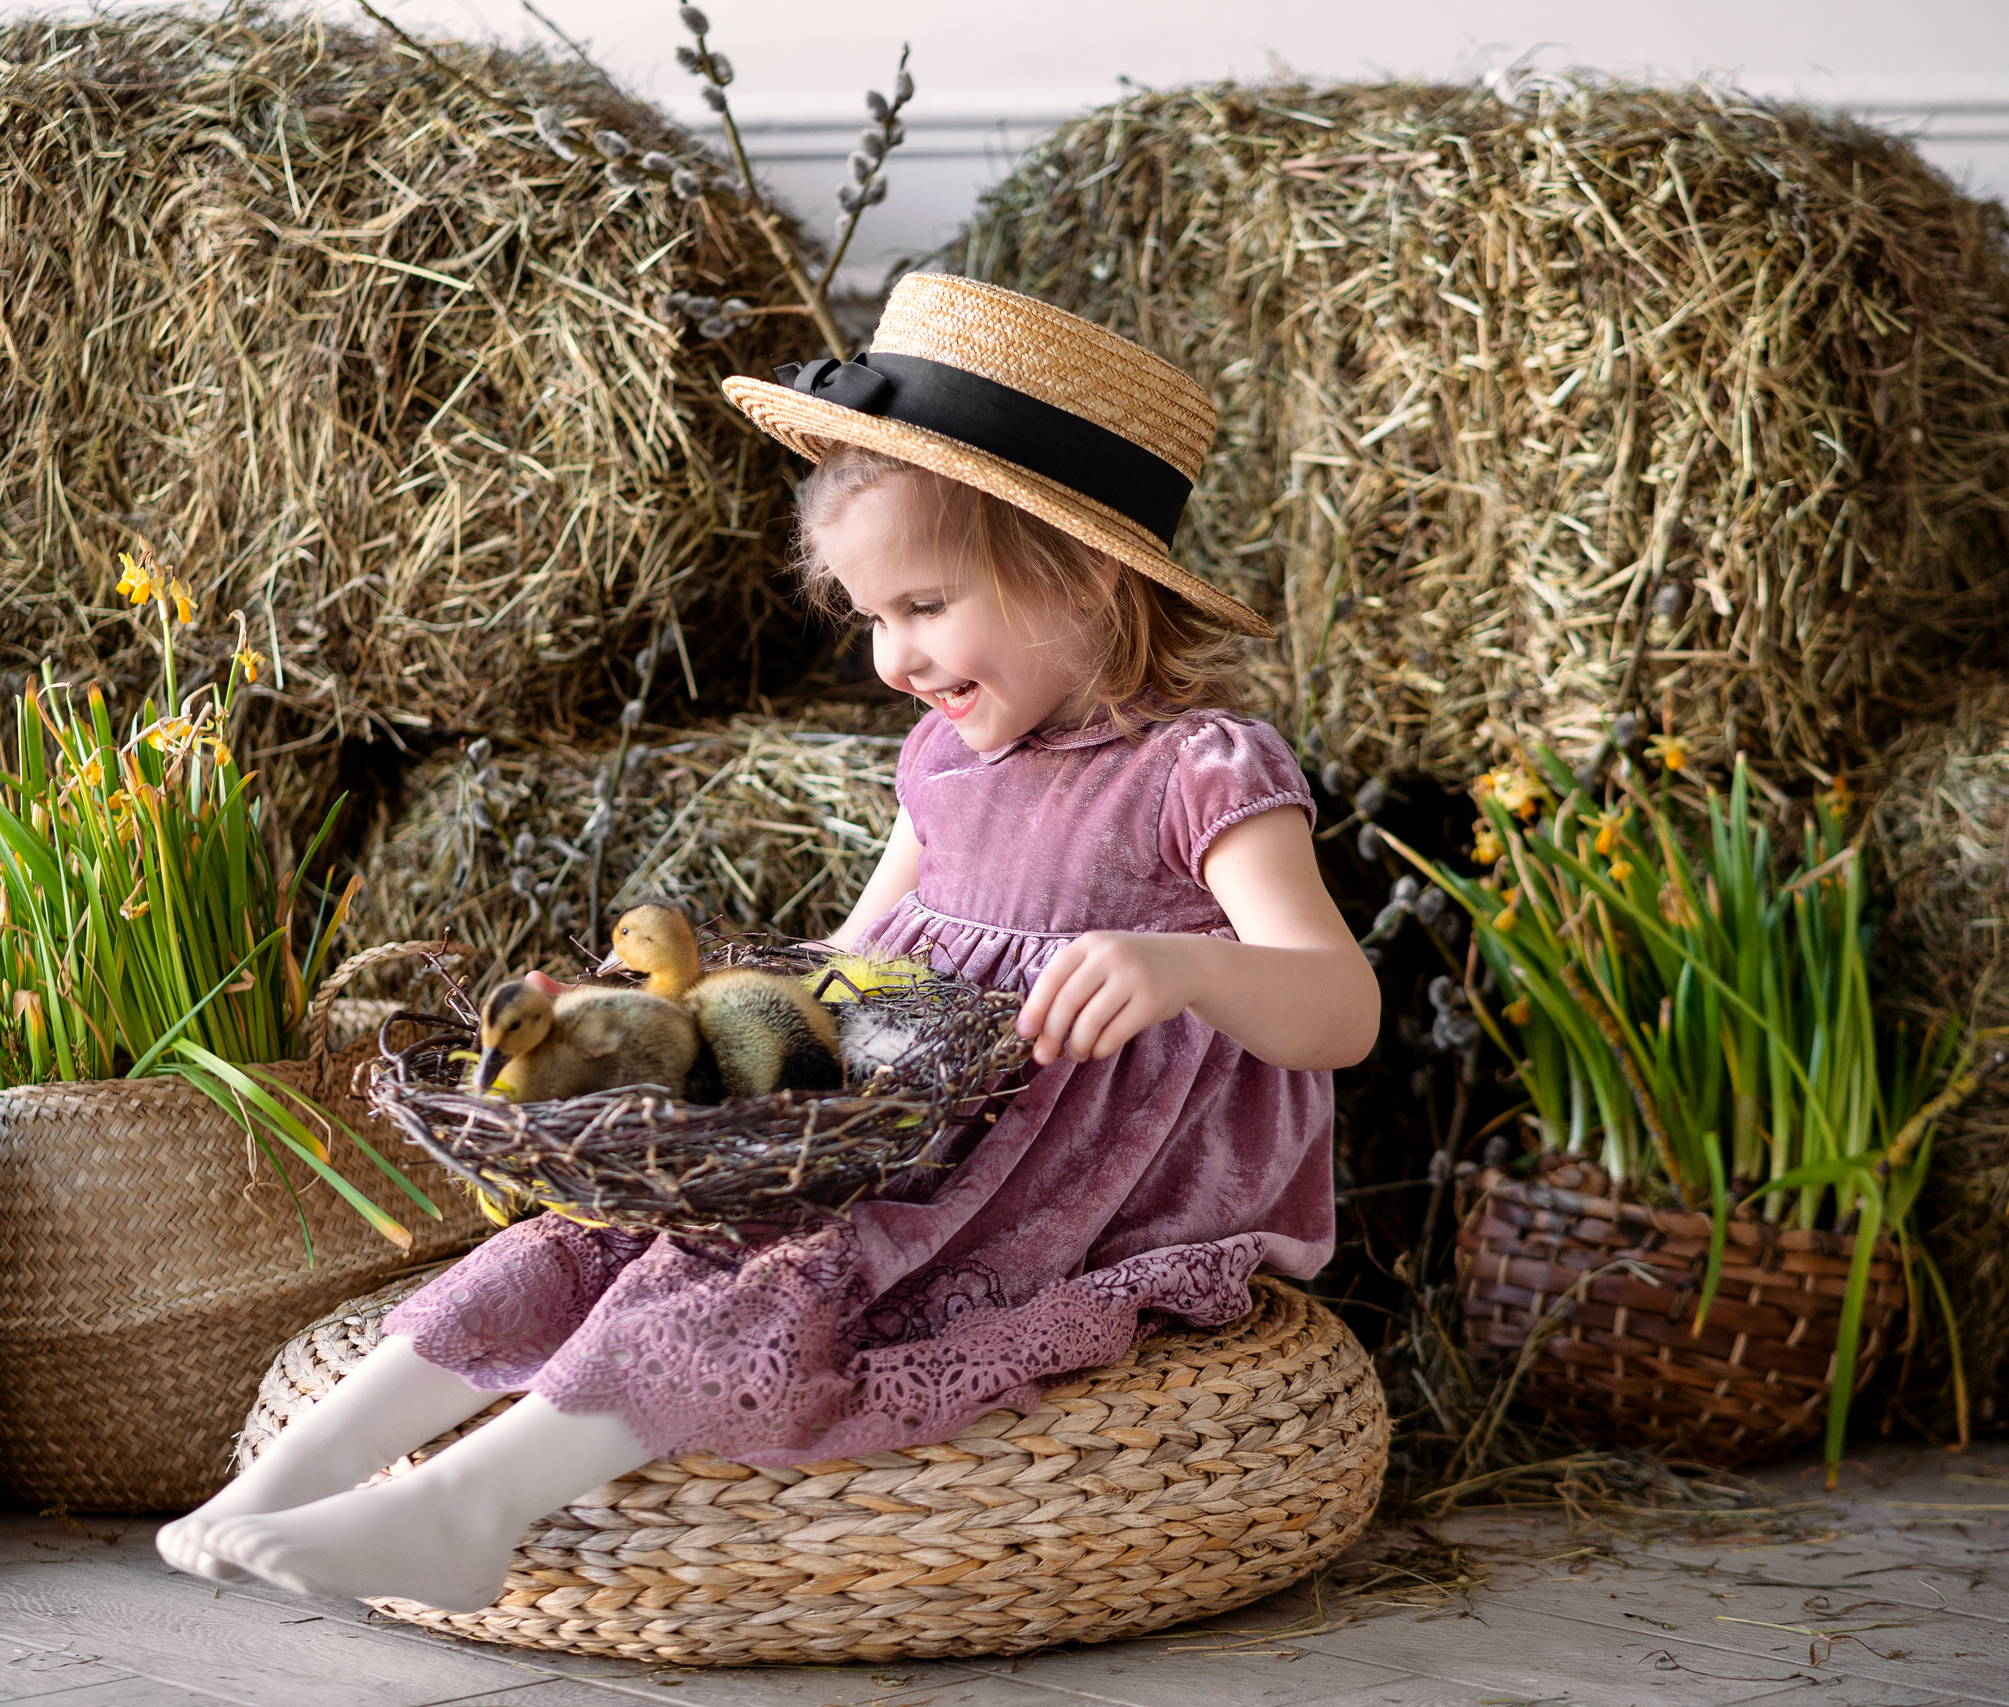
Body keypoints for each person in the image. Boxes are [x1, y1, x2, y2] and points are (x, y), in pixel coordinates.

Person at [157, 274, 1381, 1613]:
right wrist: (674, 1020)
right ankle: (282, 1476)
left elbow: (1341, 1007)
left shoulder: (1198, 768)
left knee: (770, 1286)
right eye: (867, 618)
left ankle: (470, 1509)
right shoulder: (941, 762)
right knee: (594, 1232)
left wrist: (1186, 968)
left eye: (921, 606)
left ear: (1083, 571)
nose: (890, 659)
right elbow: (844, 967)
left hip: (1077, 1178)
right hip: (909, 1136)